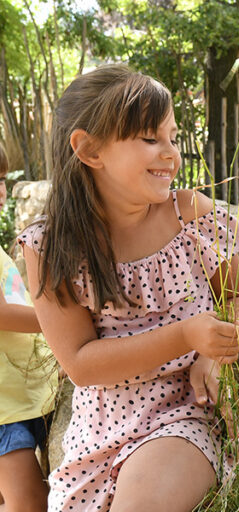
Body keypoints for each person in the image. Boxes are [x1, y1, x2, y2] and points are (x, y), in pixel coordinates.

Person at [19, 64, 239, 512]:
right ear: (89, 150)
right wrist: (184, 333)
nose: (171, 155)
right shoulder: (49, 246)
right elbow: (82, 365)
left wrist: (213, 350)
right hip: (98, 432)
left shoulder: (191, 215)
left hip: (186, 412)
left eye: (174, 138)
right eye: (150, 139)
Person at [0, 142, 58, 512]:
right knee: (27, 503)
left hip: (34, 392)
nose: (0, 189)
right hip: (4, 409)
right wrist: (60, 322)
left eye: (1, 178)